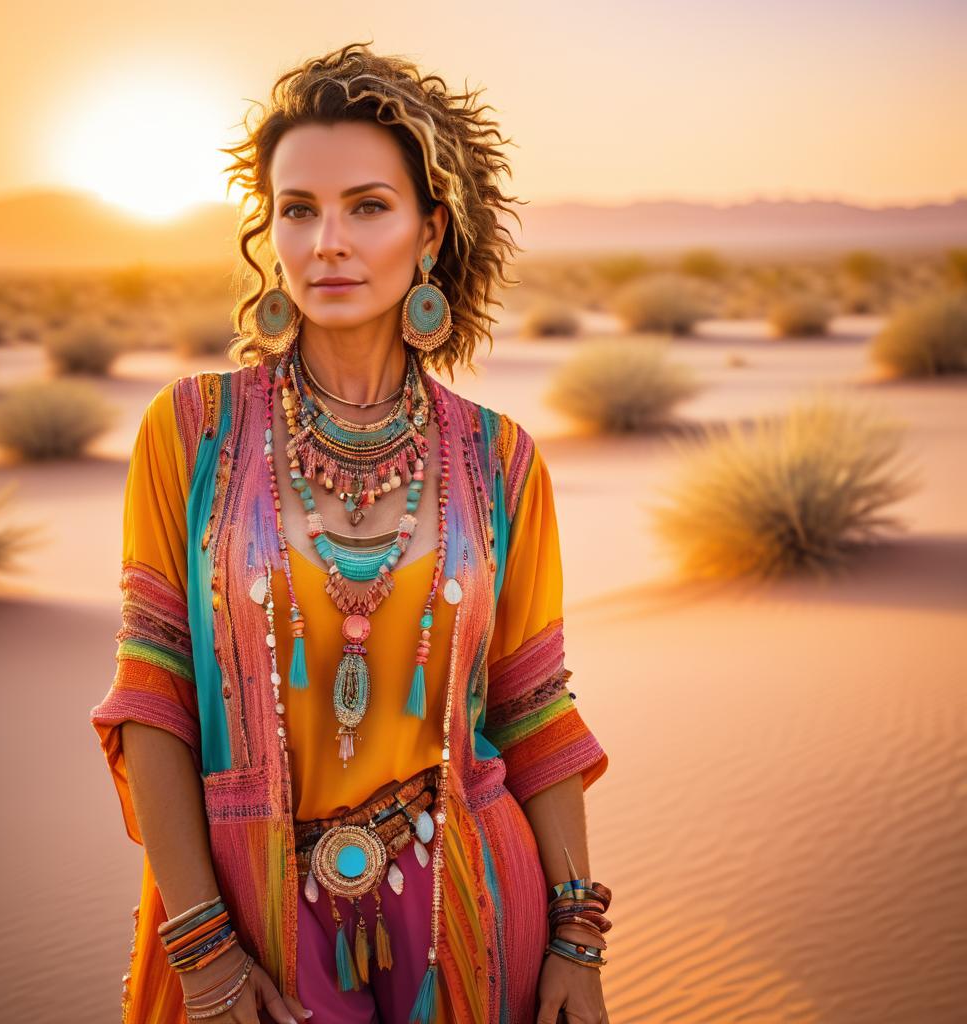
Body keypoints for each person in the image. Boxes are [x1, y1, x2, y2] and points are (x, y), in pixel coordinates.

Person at [90, 41, 611, 1024]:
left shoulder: (502, 461)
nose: (327, 239)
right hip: (245, 921)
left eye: (367, 206)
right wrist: (201, 946)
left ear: (430, 232)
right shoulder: (193, 432)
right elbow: (150, 694)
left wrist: (577, 939)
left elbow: (535, 714)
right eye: (299, 208)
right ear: (271, 232)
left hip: (475, 919)